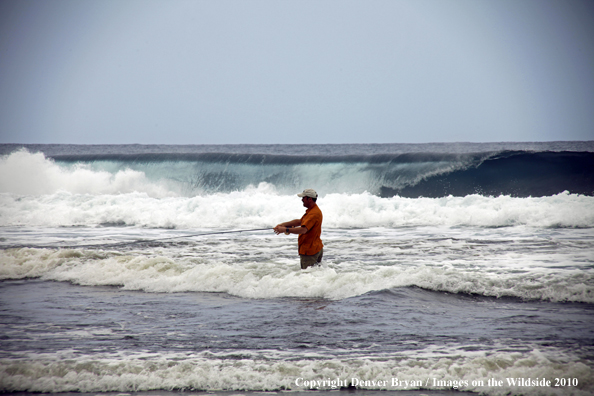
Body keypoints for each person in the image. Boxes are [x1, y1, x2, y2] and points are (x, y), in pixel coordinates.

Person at [274, 189, 324, 269]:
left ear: (310, 199)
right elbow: (300, 222)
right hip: (316, 248)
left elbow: (303, 230)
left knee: (307, 277)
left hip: (309, 251)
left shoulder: (313, 213)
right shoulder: (313, 210)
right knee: (315, 275)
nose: (302, 200)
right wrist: (283, 225)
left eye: (303, 198)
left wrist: (285, 230)